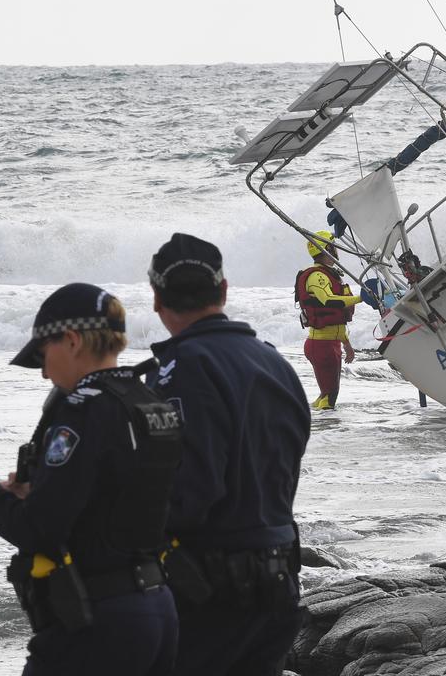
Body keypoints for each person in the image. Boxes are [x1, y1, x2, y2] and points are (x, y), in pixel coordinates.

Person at [0, 283, 183, 676]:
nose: (42, 373)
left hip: (98, 619)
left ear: (71, 341)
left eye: (42, 355)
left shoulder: (83, 411)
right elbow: (124, 497)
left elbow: (40, 529)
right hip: (158, 607)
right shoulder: (150, 403)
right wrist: (34, 492)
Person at [144, 233, 310, 676]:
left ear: (157, 299)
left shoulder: (180, 371)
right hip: (278, 580)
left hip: (208, 590)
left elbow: (189, 493)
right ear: (223, 290)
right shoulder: (275, 364)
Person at [294, 229, 362, 409]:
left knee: (327, 393)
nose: (336, 251)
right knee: (330, 396)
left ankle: (318, 424)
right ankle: (328, 430)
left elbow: (336, 324)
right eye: (333, 248)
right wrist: (361, 298)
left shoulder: (329, 273)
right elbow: (329, 301)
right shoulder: (317, 276)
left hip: (330, 343)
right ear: (326, 250)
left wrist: (346, 344)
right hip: (321, 345)